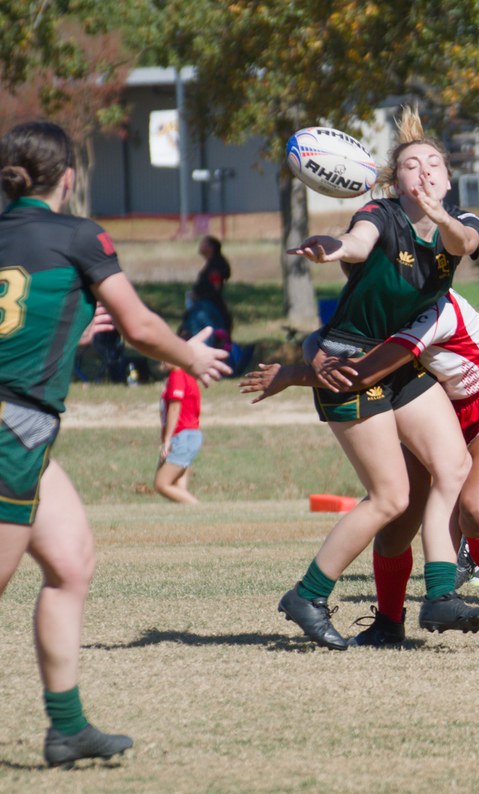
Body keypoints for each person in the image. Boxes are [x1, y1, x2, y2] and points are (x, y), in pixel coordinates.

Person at [0, 120, 230, 767]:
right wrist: (191, 356)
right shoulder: (79, 235)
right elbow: (141, 325)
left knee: (71, 560)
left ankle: (67, 727)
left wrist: (60, 339)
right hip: (13, 426)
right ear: (67, 179)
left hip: (24, 427)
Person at [269, 106, 479, 651]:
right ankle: (309, 594)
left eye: (434, 164)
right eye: (412, 167)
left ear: (446, 175)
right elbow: (360, 242)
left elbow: (463, 244)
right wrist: (336, 247)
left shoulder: (461, 222)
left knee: (453, 465)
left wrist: (440, 216)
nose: (425, 173)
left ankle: (439, 595)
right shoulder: (381, 213)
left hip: (399, 362)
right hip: (348, 363)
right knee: (391, 497)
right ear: (396, 181)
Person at [242, 288, 479, 650]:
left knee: (477, 508)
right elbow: (324, 338)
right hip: (436, 408)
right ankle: (388, 623)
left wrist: (296, 374)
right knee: (397, 518)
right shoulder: (380, 302)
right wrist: (316, 354)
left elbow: (362, 374)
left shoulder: (433, 310)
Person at [154, 364, 203, 504]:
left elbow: (175, 407)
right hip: (190, 436)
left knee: (161, 484)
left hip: (182, 436)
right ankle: (190, 520)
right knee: (178, 486)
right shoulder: (187, 375)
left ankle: (199, 510)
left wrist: (167, 440)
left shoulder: (177, 375)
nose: (161, 360)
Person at [180, 235, 233, 342]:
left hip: (206, 305)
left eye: (203, 243)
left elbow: (216, 286)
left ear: (211, 247)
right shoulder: (211, 264)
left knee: (199, 330)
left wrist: (200, 296)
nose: (200, 246)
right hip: (202, 303)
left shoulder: (214, 266)